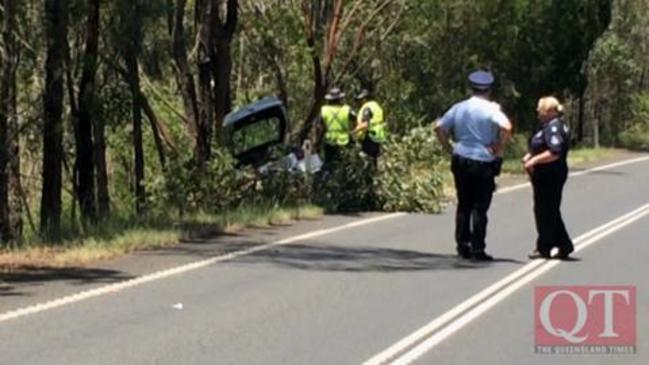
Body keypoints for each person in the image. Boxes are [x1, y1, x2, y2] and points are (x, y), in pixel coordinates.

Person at [434, 70, 512, 261]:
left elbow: (439, 127)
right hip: (483, 160)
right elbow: (507, 127)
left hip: (460, 157)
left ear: (471, 88)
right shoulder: (491, 109)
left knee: (464, 204)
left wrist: (448, 148)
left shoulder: (459, 107)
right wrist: (499, 148)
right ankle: (478, 248)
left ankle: (462, 245)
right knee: (480, 207)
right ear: (489, 90)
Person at [524, 96, 574, 260]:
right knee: (547, 210)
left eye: (541, 108)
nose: (538, 111)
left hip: (551, 175)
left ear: (550, 111)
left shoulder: (554, 128)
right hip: (543, 175)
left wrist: (535, 160)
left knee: (546, 210)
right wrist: (530, 156)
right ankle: (562, 244)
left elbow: (554, 151)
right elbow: (540, 146)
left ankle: (545, 247)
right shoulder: (547, 127)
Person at [316, 87, 355, 166]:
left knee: (330, 165)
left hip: (330, 141)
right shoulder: (347, 109)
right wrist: (353, 132)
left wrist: (318, 142)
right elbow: (356, 119)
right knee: (345, 165)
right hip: (345, 140)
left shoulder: (324, 110)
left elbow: (319, 127)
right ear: (340, 99)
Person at [353, 89, 386, 159]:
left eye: (360, 100)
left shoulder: (367, 108)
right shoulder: (376, 106)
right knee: (374, 159)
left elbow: (365, 124)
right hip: (378, 136)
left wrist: (353, 132)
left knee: (366, 159)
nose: (358, 102)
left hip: (368, 137)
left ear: (364, 99)